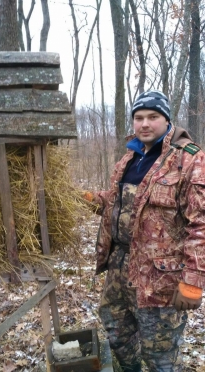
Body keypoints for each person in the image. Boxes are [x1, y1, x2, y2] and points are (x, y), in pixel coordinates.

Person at [84, 90, 205, 371]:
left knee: (159, 353)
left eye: (153, 117)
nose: (145, 124)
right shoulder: (132, 156)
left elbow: (200, 224)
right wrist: (93, 199)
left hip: (160, 276)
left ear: (167, 121)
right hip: (120, 265)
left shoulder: (189, 160)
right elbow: (122, 201)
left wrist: (193, 280)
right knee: (117, 334)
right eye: (139, 118)